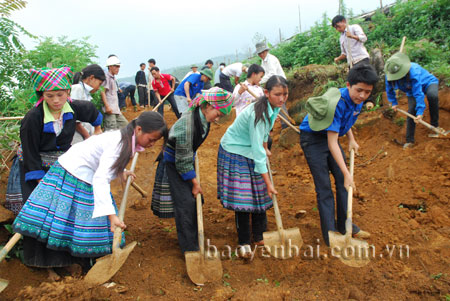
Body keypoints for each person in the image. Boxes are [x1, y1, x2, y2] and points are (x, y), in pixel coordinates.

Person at [13, 111, 167, 280]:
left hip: (82, 171)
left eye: (155, 141)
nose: (152, 144)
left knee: (77, 220)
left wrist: (121, 171)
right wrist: (112, 216)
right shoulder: (119, 142)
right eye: (151, 139)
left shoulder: (124, 138)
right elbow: (101, 178)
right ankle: (60, 264)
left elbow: (103, 158)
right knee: (73, 220)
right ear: (138, 130)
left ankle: (73, 261)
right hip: (73, 172)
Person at [299, 64, 378, 247]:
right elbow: (332, 143)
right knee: (324, 187)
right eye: (359, 90)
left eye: (367, 92)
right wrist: (347, 173)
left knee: (344, 181)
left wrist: (351, 139)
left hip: (329, 135)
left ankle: (345, 226)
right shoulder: (337, 104)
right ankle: (330, 234)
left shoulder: (356, 102)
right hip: (313, 138)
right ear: (348, 85)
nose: (362, 96)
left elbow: (345, 120)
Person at [14, 64, 102, 227]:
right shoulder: (33, 118)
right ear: (42, 95)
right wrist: (41, 180)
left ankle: (61, 245)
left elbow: (92, 112)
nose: (56, 100)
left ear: (68, 92)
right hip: (34, 165)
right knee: (38, 212)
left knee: (62, 211)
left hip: (60, 165)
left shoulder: (74, 108)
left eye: (60, 95)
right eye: (50, 96)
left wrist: (97, 130)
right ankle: (36, 251)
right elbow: (29, 151)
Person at [151, 88, 234, 254]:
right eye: (217, 114)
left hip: (185, 158)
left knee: (194, 200)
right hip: (175, 163)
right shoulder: (187, 125)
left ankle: (194, 237)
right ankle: (190, 249)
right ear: (209, 106)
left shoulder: (201, 116)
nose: (217, 119)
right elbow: (181, 162)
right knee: (185, 204)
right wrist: (194, 182)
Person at [217, 75, 288, 258]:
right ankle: (243, 242)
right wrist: (269, 183)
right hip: (234, 150)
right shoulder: (258, 114)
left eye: (285, 94)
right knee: (243, 197)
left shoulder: (273, 108)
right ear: (266, 93)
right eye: (277, 94)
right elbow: (257, 153)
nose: (282, 98)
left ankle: (259, 236)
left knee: (259, 193)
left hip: (251, 148)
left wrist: (266, 146)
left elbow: (265, 133)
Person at [384, 52, 441, 148]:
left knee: (432, 96)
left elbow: (418, 93)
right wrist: (394, 102)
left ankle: (435, 126)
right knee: (411, 111)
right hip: (411, 90)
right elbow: (389, 90)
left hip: (428, 83)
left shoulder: (413, 72)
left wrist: (420, 112)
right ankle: (410, 140)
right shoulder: (389, 76)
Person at [71, 64, 106, 144]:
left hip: (84, 136)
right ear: (91, 78)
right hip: (77, 137)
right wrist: (87, 136)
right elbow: (75, 120)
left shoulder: (85, 93)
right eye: (99, 84)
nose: (98, 88)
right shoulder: (77, 89)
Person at [101, 55, 128, 131]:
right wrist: (107, 106)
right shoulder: (107, 77)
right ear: (110, 67)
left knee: (126, 127)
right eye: (115, 66)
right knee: (111, 132)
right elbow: (103, 92)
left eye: (118, 66)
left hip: (116, 110)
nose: (117, 68)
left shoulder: (113, 78)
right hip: (110, 110)